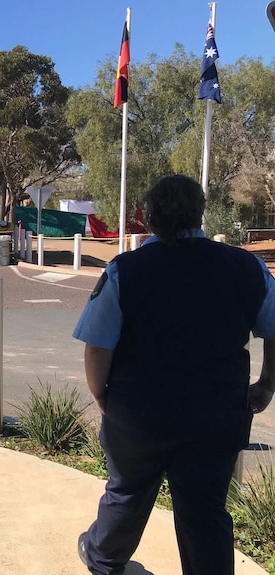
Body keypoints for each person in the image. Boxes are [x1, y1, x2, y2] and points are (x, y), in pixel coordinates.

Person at [73, 174, 275, 574]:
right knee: (205, 510)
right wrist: (267, 384)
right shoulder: (247, 268)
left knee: (127, 493)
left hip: (138, 415)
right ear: (200, 212)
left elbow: (98, 346)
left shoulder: (124, 271)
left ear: (149, 216)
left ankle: (104, 558)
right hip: (217, 414)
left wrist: (102, 396)